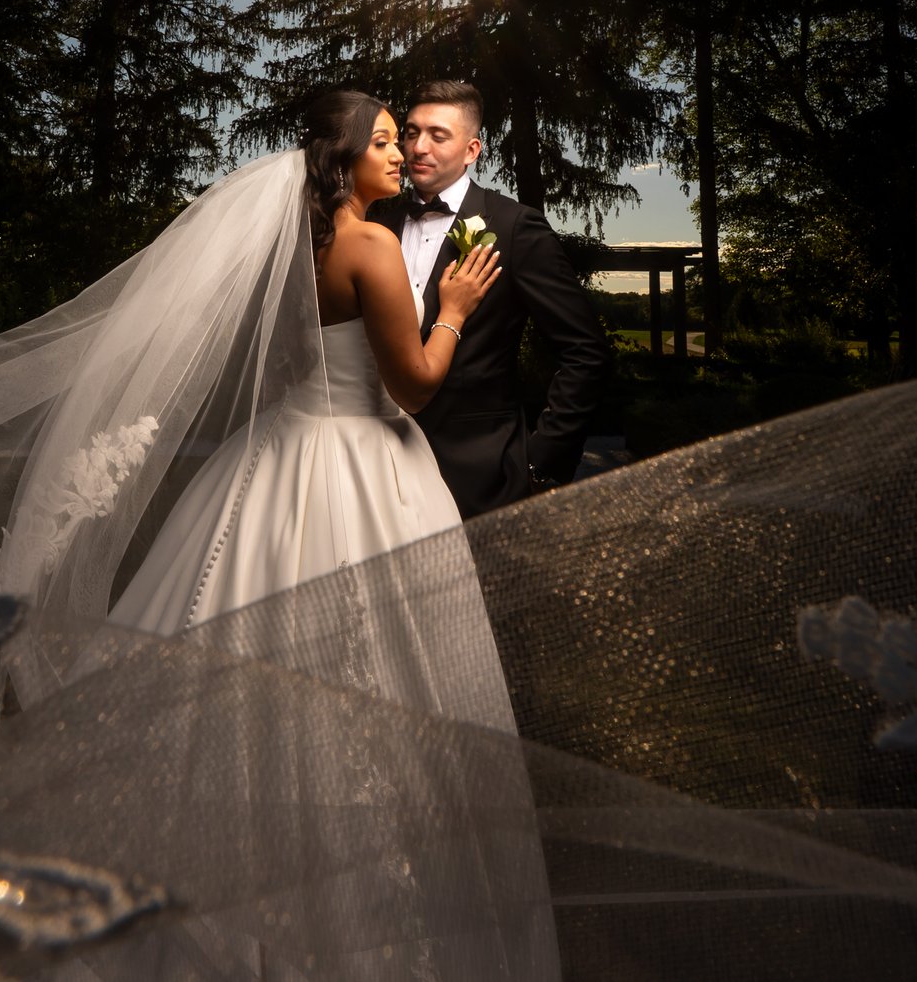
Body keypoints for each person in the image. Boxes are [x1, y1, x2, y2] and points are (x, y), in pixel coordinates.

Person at [108, 90, 502, 632]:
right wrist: (452, 312)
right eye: (382, 142)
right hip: (365, 457)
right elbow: (413, 388)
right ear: (342, 157)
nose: (400, 155)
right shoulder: (370, 243)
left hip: (279, 444)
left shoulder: (291, 244)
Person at [371, 81, 614, 516]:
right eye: (410, 132)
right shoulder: (377, 227)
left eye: (438, 135)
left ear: (471, 150)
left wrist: (540, 462)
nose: (417, 147)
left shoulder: (515, 226)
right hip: (373, 468)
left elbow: (585, 351)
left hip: (478, 474)